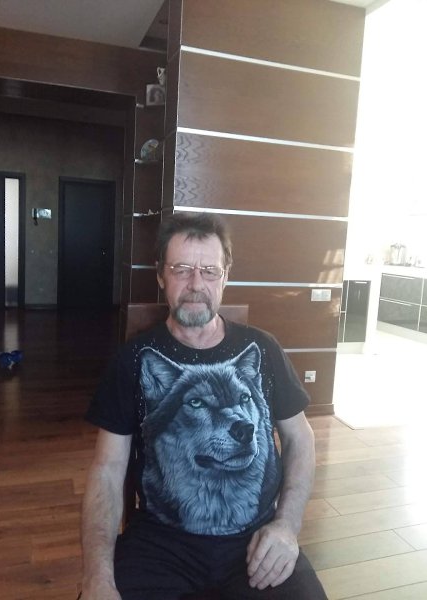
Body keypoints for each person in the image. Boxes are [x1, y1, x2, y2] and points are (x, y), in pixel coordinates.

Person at [80, 213, 327, 600]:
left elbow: (300, 438)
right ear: (160, 275)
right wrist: (97, 576)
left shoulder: (263, 349)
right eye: (181, 269)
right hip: (160, 542)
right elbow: (107, 470)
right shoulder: (132, 360)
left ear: (225, 276)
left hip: (256, 538)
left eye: (209, 271)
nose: (196, 285)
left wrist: (287, 526)